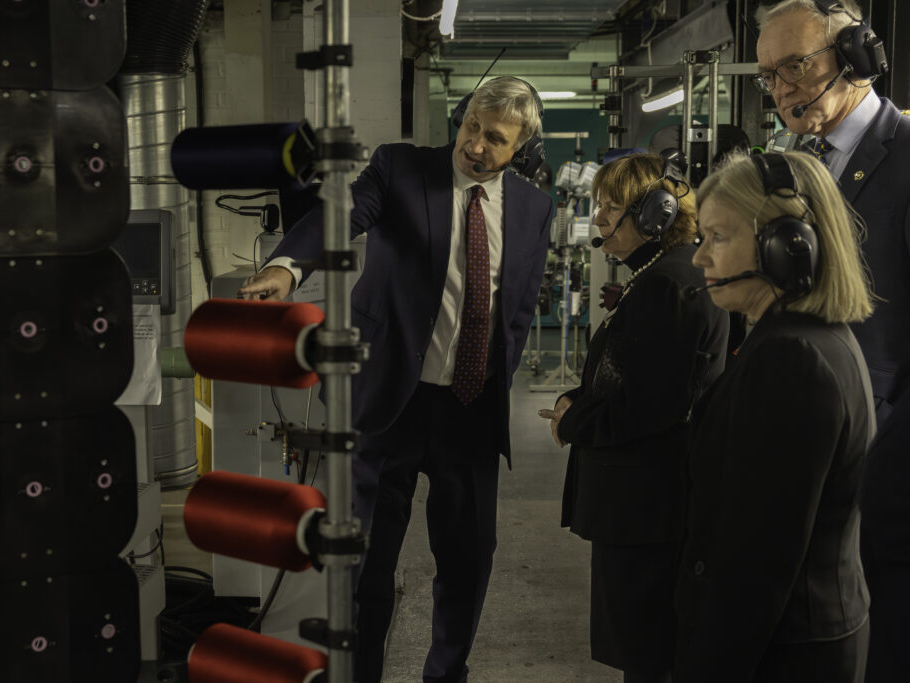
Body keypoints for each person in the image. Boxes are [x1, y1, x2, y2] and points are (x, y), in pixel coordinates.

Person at [238, 76, 553, 683]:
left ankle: (446, 675)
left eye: (495, 139)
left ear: (521, 151)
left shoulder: (536, 208)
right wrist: (286, 266)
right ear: (460, 119)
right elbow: (339, 216)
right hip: (386, 405)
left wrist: (495, 380)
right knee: (367, 571)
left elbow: (517, 306)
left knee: (468, 565)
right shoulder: (401, 169)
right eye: (471, 127)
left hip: (468, 411)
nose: (477, 145)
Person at [674, 151, 874, 682]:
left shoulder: (791, 359)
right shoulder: (813, 339)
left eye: (717, 237)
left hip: (781, 654)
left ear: (787, 247)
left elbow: (756, 561)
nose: (699, 259)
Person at [755, 4, 910, 677]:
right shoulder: (786, 164)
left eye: (797, 64)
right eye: (768, 74)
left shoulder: (906, 156)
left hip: (886, 477)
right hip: (800, 462)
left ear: (856, 56)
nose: (783, 86)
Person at [539, 152, 729, 683]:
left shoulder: (666, 284)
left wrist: (572, 423)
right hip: (649, 501)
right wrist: (579, 397)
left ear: (656, 216)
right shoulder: (662, 274)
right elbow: (636, 372)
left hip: (646, 506)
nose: (598, 219)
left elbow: (653, 405)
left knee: (648, 655)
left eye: (610, 208)